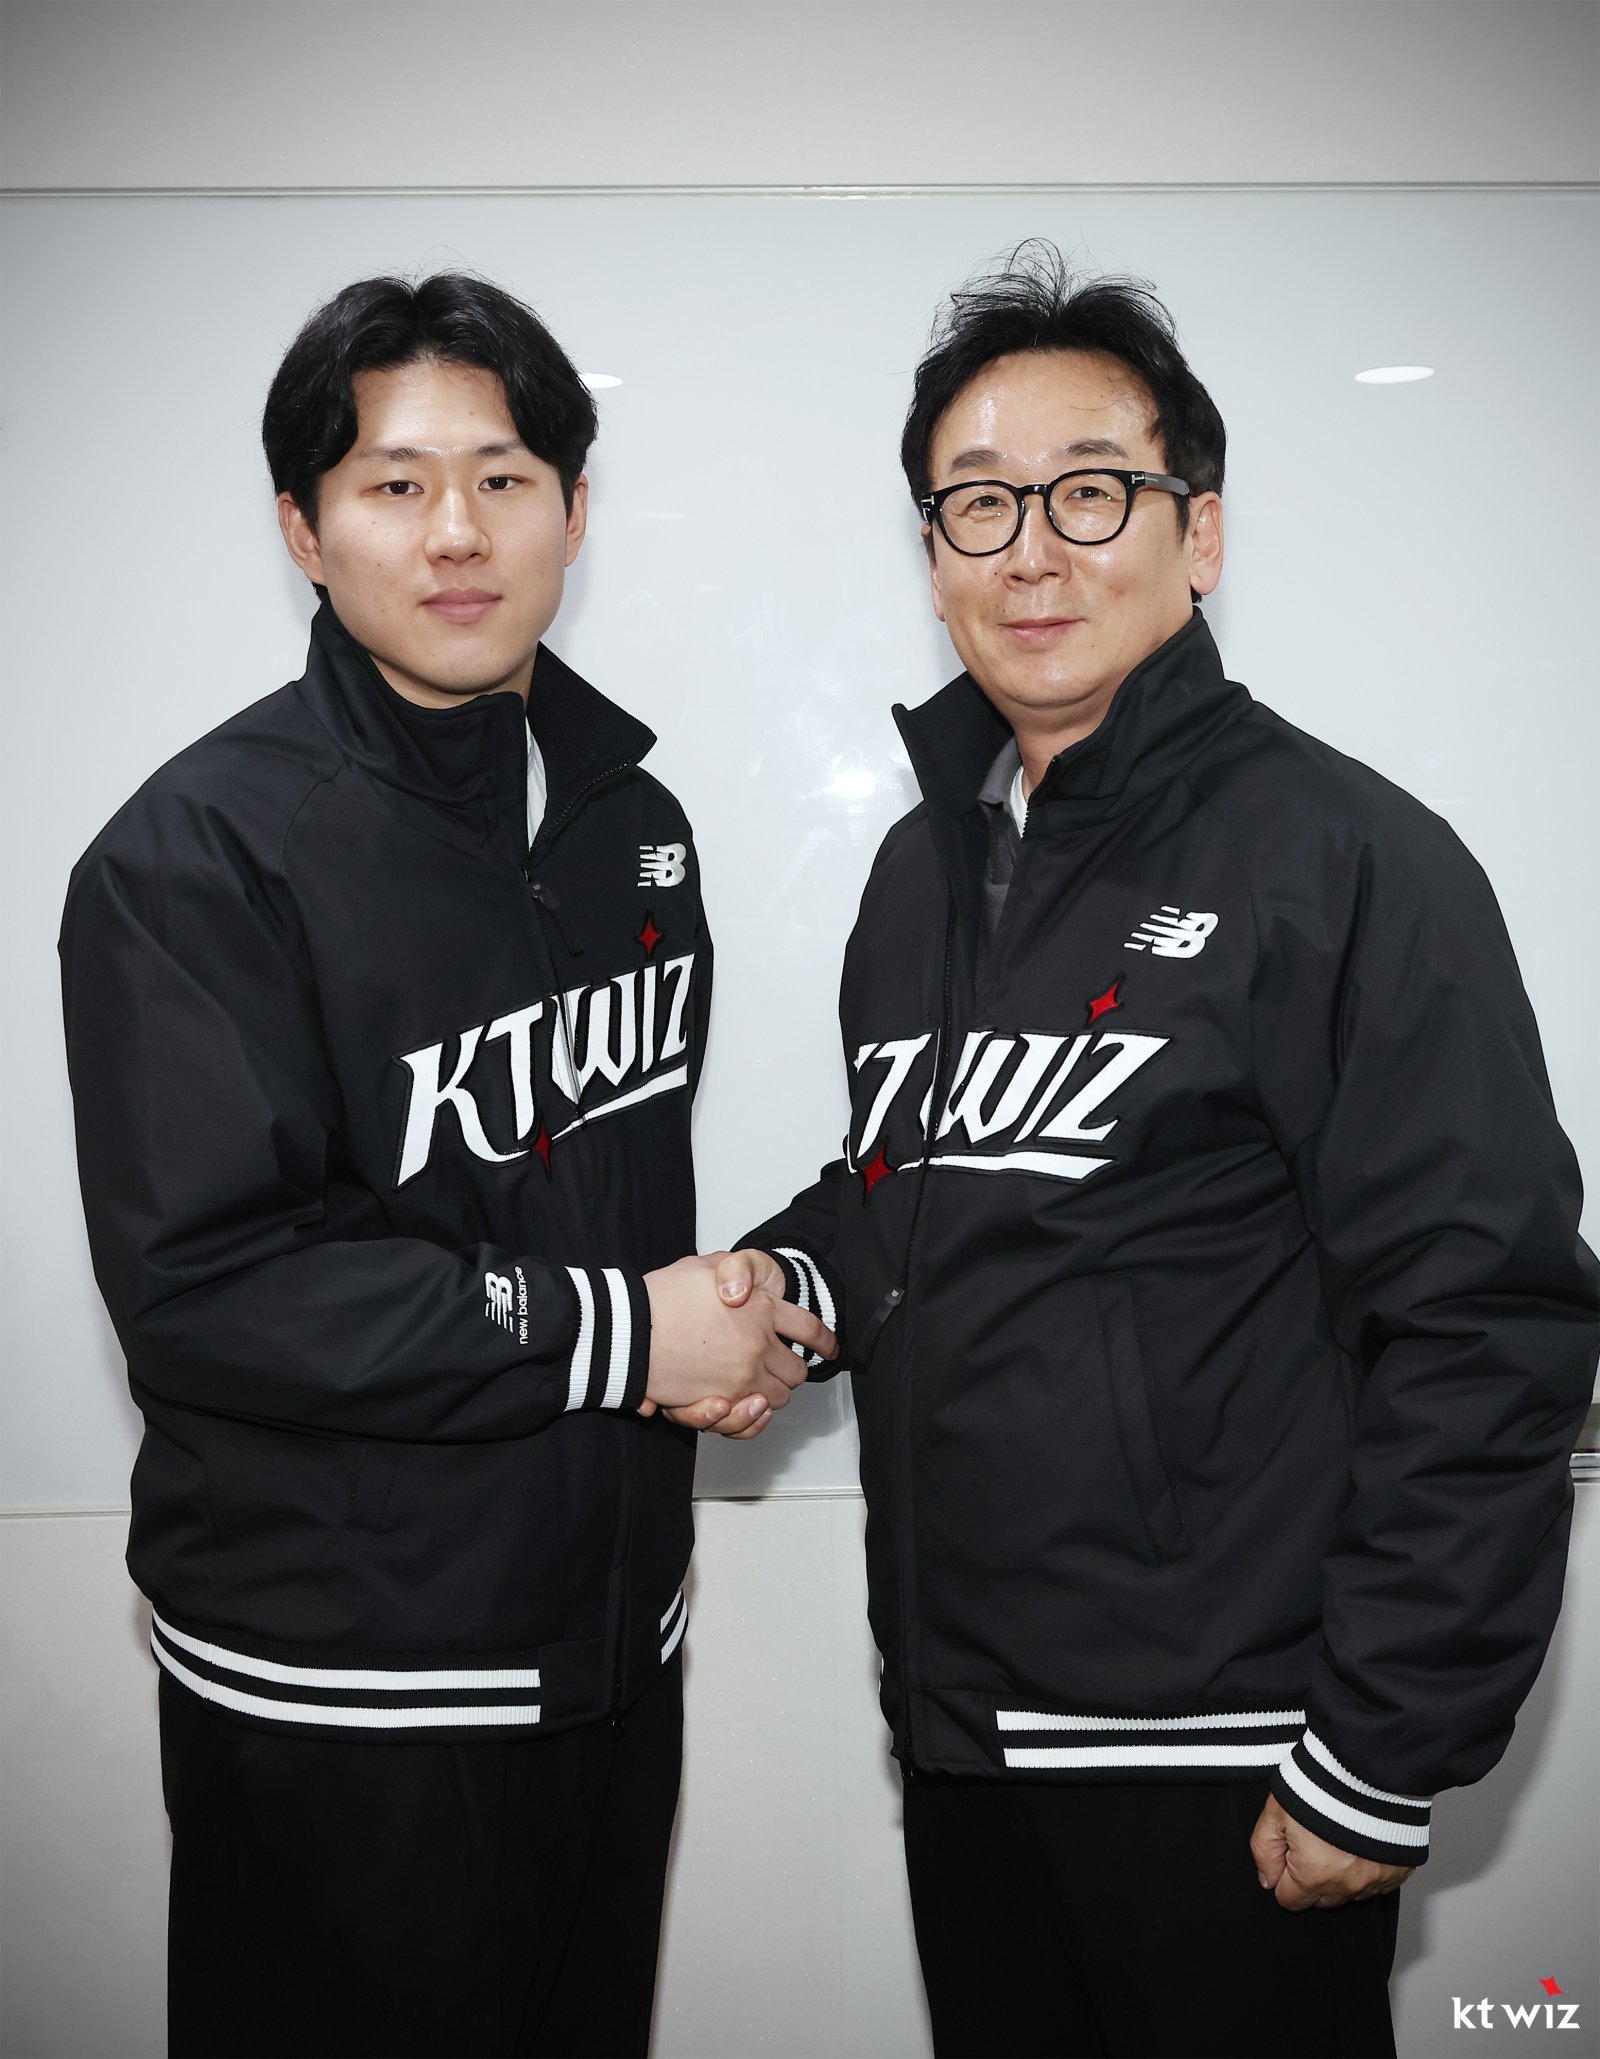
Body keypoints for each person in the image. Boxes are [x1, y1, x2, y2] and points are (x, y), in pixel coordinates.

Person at [711, 245, 1598, 2058]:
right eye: (977, 504)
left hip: (1238, 1755)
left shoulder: (1347, 861)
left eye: (1091, 492)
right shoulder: (924, 870)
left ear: (1201, 534)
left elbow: (1487, 1320)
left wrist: (1377, 1751)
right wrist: (781, 1281)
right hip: (969, 1729)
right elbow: (926, 1189)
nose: (1031, 552)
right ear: (932, 556)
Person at [58, 272, 830, 2059]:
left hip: (609, 1642)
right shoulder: (196, 857)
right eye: (395, 484)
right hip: (350, 1683)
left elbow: (596, 1198)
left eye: (503, 477)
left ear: (577, 508)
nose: (458, 532)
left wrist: (724, 1321)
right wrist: (629, 1339)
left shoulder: (633, 821)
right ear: (303, 530)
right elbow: (215, 1290)